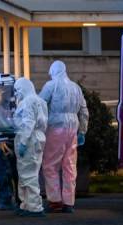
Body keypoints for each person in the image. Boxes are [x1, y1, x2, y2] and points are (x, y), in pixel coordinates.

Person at [39, 60, 89, 213]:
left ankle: (55, 201)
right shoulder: (76, 87)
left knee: (50, 164)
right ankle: (69, 202)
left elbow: (39, 104)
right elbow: (84, 110)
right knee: (69, 165)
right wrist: (82, 131)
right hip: (72, 128)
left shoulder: (51, 86)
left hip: (55, 127)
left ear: (53, 72)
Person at [13, 78, 48, 217]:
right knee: (26, 173)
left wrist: (23, 142)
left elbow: (28, 123)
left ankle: (35, 208)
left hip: (28, 140)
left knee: (28, 175)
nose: (16, 93)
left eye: (17, 90)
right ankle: (26, 205)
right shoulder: (40, 101)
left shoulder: (28, 102)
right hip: (36, 138)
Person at [0, 141, 19, 211]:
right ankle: (9, 201)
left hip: (6, 138)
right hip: (6, 139)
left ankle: (7, 200)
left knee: (6, 172)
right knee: (6, 173)